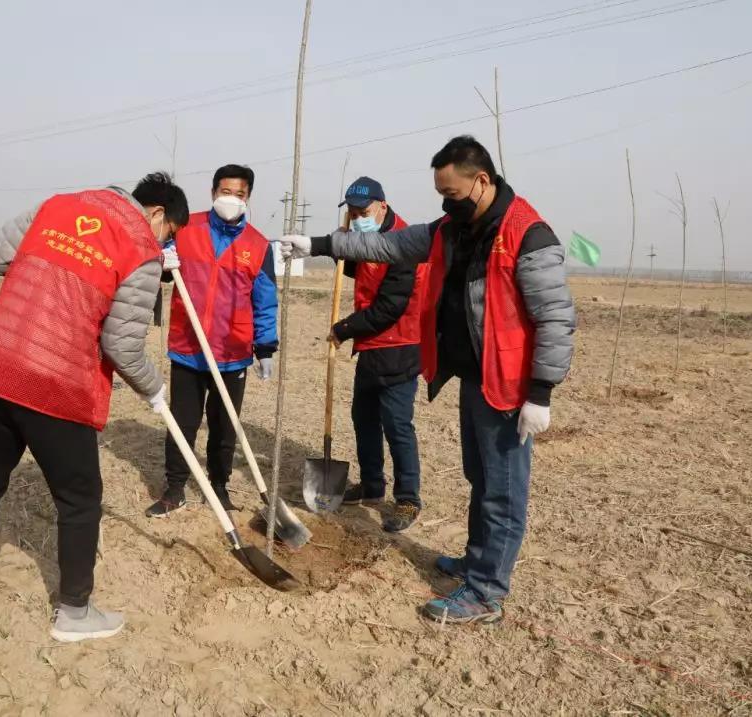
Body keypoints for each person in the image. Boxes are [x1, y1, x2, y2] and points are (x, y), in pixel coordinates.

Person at [280, 136, 576, 624]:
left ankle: (484, 594)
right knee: (480, 479)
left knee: (503, 491)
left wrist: (540, 392)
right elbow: (387, 243)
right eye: (440, 194)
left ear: (482, 181)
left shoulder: (527, 234)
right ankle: (477, 562)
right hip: (474, 379)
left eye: (453, 194)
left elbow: (556, 318)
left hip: (508, 387)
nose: (446, 203)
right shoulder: (451, 229)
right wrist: (319, 245)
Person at [0, 172, 187, 643]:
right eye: (170, 232)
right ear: (157, 213)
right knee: (79, 499)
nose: (165, 241)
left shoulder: (59, 204)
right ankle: (74, 612)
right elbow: (121, 342)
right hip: (57, 376)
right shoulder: (141, 245)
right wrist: (155, 389)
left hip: (1, 358)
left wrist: (51, 271)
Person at [145, 164, 279, 517]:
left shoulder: (258, 245)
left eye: (239, 194)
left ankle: (219, 485)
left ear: (248, 197)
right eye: (225, 191)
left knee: (224, 427)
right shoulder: (188, 228)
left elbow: (265, 301)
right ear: (212, 192)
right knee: (183, 423)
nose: (231, 199)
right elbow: (151, 257)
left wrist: (265, 347)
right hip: (188, 348)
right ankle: (175, 488)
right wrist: (160, 259)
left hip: (232, 352)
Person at [329, 177, 430, 533]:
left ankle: (407, 499)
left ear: (383, 207)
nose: (358, 218)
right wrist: (342, 249)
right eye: (353, 213)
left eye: (364, 211)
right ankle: (372, 485)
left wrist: (343, 329)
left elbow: (390, 307)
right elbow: (361, 268)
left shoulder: (404, 244)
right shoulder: (368, 238)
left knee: (397, 424)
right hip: (372, 348)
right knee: (364, 417)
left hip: (399, 346)